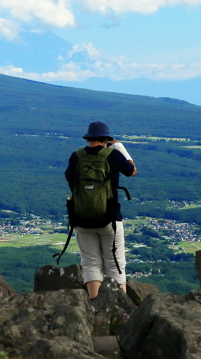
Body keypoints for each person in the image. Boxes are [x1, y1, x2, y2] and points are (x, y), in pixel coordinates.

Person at [64, 121, 136, 300]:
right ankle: (120, 308)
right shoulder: (113, 155)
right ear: (107, 139)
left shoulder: (77, 156)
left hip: (81, 219)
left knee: (90, 264)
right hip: (109, 219)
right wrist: (120, 147)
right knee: (115, 264)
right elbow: (132, 171)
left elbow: (70, 179)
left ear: (88, 138)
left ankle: (95, 305)